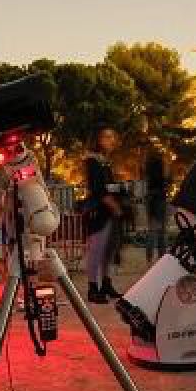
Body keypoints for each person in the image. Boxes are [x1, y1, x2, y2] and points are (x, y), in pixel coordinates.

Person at [84, 125, 125, 304]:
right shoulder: (93, 161)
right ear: (98, 140)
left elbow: (107, 186)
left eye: (112, 137)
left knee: (107, 250)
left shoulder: (104, 161)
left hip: (108, 210)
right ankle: (93, 288)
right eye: (106, 137)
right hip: (99, 212)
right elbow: (98, 189)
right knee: (97, 250)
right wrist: (115, 205)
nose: (111, 140)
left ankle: (105, 284)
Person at [143, 149, 168, 263]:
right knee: (161, 230)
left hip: (151, 198)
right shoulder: (161, 166)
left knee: (152, 230)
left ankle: (149, 258)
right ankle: (161, 257)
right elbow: (166, 180)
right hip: (160, 199)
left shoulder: (147, 167)